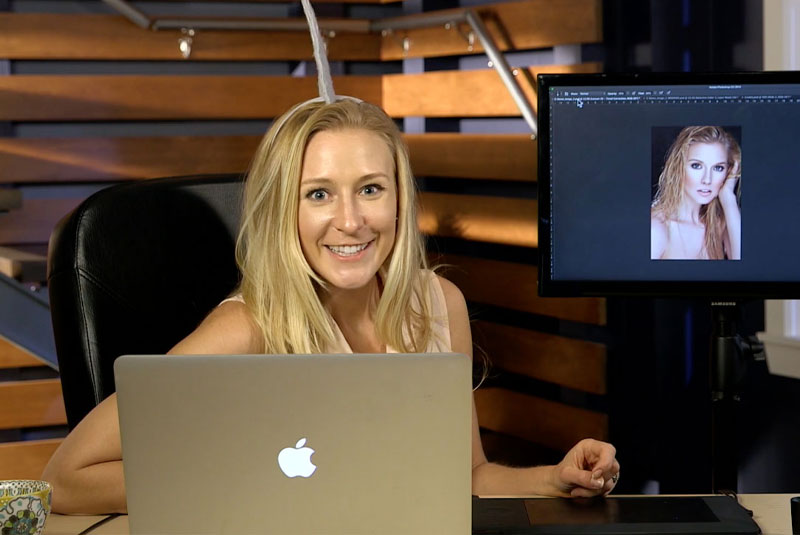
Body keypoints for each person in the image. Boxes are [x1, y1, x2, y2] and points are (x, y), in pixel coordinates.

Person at [42, 98, 620, 514]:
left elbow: (465, 477)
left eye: (371, 188)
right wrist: (244, 481)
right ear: (284, 212)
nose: (350, 220)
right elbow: (66, 480)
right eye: (319, 194)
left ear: (398, 200)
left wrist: (554, 478)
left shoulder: (439, 304)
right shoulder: (246, 328)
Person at [651, 125, 742, 260]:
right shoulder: (657, 229)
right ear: (678, 167)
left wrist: (728, 198)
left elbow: (748, 271)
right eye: (696, 166)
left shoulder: (720, 225)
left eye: (718, 168)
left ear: (728, 172)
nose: (707, 179)